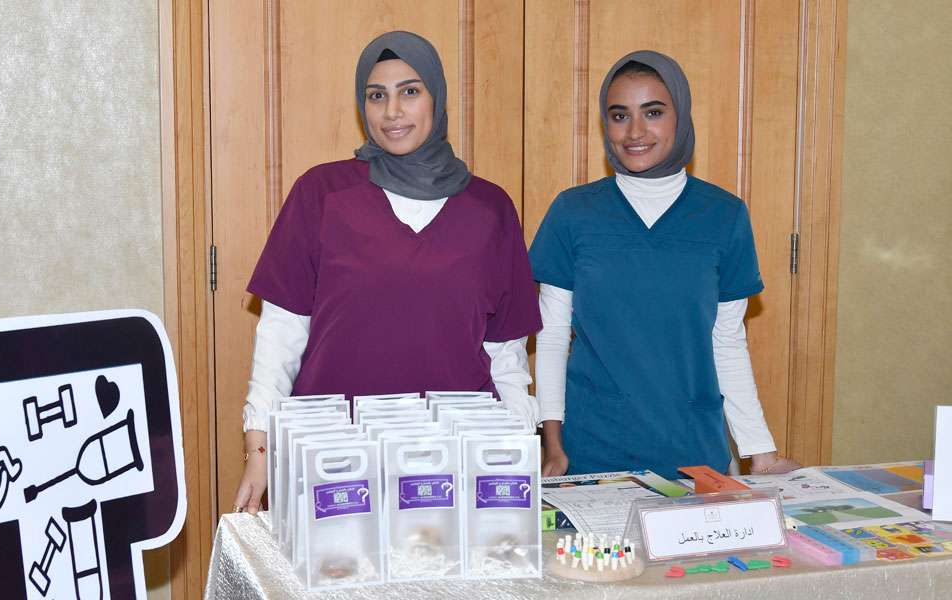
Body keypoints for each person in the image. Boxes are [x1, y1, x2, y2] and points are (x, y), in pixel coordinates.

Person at [232, 31, 541, 514]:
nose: (392, 111)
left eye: (410, 91)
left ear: (436, 98)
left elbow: (506, 355)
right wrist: (260, 450)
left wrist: (515, 448)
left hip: (452, 462)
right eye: (377, 96)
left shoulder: (490, 208)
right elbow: (280, 337)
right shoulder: (321, 193)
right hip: (334, 462)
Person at [529, 50, 799, 480]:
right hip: (591, 451)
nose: (635, 131)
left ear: (681, 116)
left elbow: (728, 343)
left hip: (694, 452)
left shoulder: (724, 215)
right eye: (619, 116)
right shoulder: (573, 212)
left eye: (653, 112)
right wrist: (554, 445)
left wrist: (760, 451)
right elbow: (553, 336)